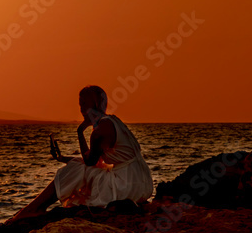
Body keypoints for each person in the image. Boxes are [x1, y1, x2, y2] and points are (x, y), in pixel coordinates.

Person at [8, 85, 153, 222]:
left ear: (94, 104)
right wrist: (62, 158)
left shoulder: (100, 131)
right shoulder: (113, 120)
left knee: (76, 168)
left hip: (126, 186)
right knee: (76, 165)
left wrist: (80, 131)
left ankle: (36, 208)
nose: (81, 109)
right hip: (141, 183)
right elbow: (92, 161)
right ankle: (36, 207)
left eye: (84, 104)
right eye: (80, 104)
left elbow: (89, 162)